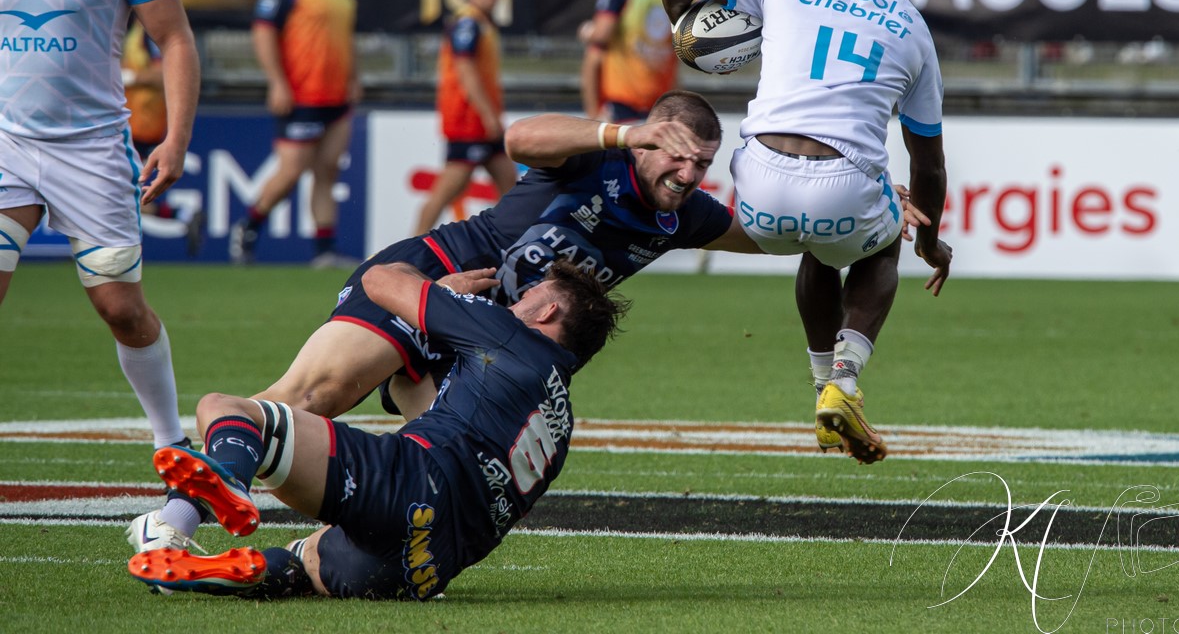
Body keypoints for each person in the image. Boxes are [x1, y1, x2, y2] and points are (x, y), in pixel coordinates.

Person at [127, 91, 767, 556]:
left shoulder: (684, 216)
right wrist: (623, 135)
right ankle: (174, 521)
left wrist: (849, 217)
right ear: (649, 138)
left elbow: (778, 236)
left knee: (447, 475)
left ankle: (316, 561)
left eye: (701, 163)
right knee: (312, 397)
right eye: (674, 156)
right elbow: (521, 139)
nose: (686, 174)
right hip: (430, 280)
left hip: (481, 343)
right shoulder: (597, 161)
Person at [127, 261, 629, 600]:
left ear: (548, 312)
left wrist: (440, 292)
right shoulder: (559, 424)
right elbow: (446, 416)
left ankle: (231, 484)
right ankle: (223, 573)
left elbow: (380, 281)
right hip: (426, 565)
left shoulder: (507, 333)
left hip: (408, 482)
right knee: (306, 563)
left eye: (530, 297)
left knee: (227, 408)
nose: (515, 303)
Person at [660, 0, 953, 464]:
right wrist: (931, 244)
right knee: (879, 244)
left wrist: (683, 32)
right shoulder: (912, 24)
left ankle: (822, 390)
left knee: (816, 246)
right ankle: (844, 381)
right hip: (845, 183)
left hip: (759, 177)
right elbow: (928, 164)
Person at [0, 0, 201, 451]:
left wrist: (175, 138)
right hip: (5, 141)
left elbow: (175, 40)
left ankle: (171, 444)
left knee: (122, 310)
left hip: (92, 148)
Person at [229, 0, 360, 267]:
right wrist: (277, 81)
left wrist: (354, 78)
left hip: (336, 99)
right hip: (301, 96)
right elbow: (263, 33)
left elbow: (345, 40)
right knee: (291, 172)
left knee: (327, 172)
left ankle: (324, 251)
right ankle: (249, 226)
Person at [413, 0, 517, 235]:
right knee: (449, 187)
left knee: (510, 187)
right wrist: (487, 114)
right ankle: (407, 251)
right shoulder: (467, 22)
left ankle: (515, 247)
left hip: (481, 120)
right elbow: (465, 71)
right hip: (467, 120)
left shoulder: (483, 22)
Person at [122, 20, 206, 257]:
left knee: (116, 195)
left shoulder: (150, 32)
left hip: (139, 125)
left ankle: (100, 248)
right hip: (131, 124)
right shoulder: (130, 31)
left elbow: (161, 76)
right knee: (119, 195)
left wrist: (124, 77)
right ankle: (183, 215)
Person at [580, 0, 677, 123]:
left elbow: (602, 34)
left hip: (622, 101)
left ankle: (592, 118)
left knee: (595, 51)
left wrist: (586, 32)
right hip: (661, 101)